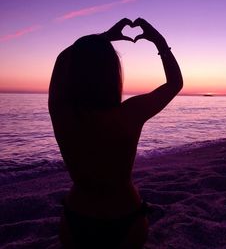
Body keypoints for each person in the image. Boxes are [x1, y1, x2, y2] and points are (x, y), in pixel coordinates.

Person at [48, 18, 183, 248]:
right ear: (113, 73)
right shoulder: (131, 113)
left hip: (77, 216)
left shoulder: (63, 112)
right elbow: (175, 83)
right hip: (126, 216)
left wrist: (103, 38)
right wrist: (159, 42)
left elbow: (62, 61)